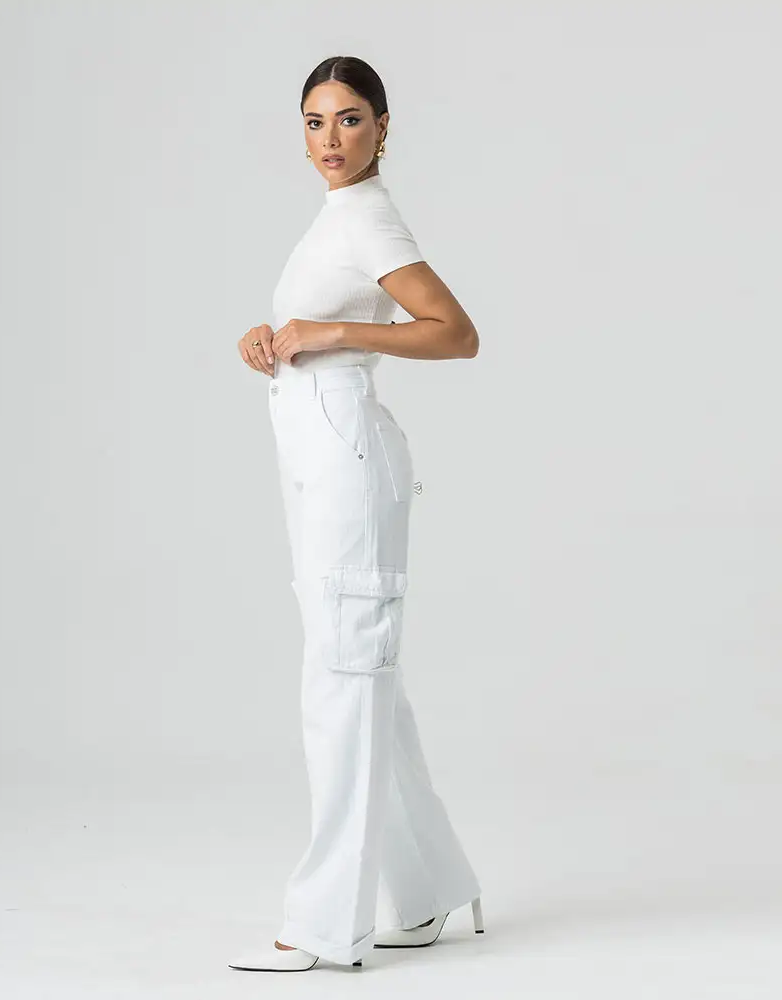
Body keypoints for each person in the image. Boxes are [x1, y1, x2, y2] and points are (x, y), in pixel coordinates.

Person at [229, 55, 485, 973]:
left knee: (341, 678)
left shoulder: (370, 215)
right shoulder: (336, 216)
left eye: (347, 119)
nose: (329, 139)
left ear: (382, 125)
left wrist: (332, 332)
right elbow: (315, 326)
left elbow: (455, 333)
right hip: (316, 452)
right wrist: (273, 338)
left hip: (346, 458)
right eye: (313, 122)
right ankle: (430, 888)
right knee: (360, 670)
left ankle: (323, 923)